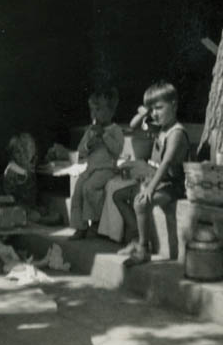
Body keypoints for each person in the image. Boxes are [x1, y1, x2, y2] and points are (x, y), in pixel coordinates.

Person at [111, 81, 191, 266]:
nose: (155, 113)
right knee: (119, 196)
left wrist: (150, 189)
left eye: (159, 108)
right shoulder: (161, 127)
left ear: (174, 105)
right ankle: (137, 239)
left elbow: (166, 163)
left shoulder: (176, 132)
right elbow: (133, 126)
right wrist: (144, 113)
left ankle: (144, 249)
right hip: (156, 180)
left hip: (172, 186)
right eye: (152, 109)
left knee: (140, 203)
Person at [70, 87, 124, 240]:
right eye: (92, 110)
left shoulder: (115, 130)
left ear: (111, 111)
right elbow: (81, 150)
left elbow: (117, 150)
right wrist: (89, 144)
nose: (94, 114)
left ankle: (96, 223)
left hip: (106, 169)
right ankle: (80, 226)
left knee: (90, 187)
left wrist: (104, 136)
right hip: (91, 168)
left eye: (98, 110)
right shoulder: (90, 130)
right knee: (78, 188)